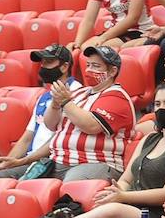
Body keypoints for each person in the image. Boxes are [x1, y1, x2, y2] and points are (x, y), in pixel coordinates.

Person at [14, 82, 165, 218]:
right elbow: (127, 179)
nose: (161, 109)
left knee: (111, 211)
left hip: (162, 216)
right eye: (158, 104)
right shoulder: (149, 139)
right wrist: (116, 191)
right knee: (103, 206)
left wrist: (122, 197)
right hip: (129, 205)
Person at [0, 44, 81, 181]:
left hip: (49, 163)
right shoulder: (44, 96)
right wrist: (7, 162)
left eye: (49, 62)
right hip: (29, 161)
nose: (43, 67)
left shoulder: (76, 93)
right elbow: (27, 137)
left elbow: (60, 139)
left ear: (64, 67)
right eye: (42, 62)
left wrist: (23, 161)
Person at [44, 46, 136, 182]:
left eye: (96, 66)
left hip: (96, 162)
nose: (89, 70)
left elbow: (91, 126)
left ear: (112, 71)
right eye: (88, 65)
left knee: (70, 185)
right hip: (58, 161)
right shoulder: (79, 93)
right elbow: (50, 125)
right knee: (15, 180)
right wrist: (55, 104)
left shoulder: (117, 96)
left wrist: (65, 102)